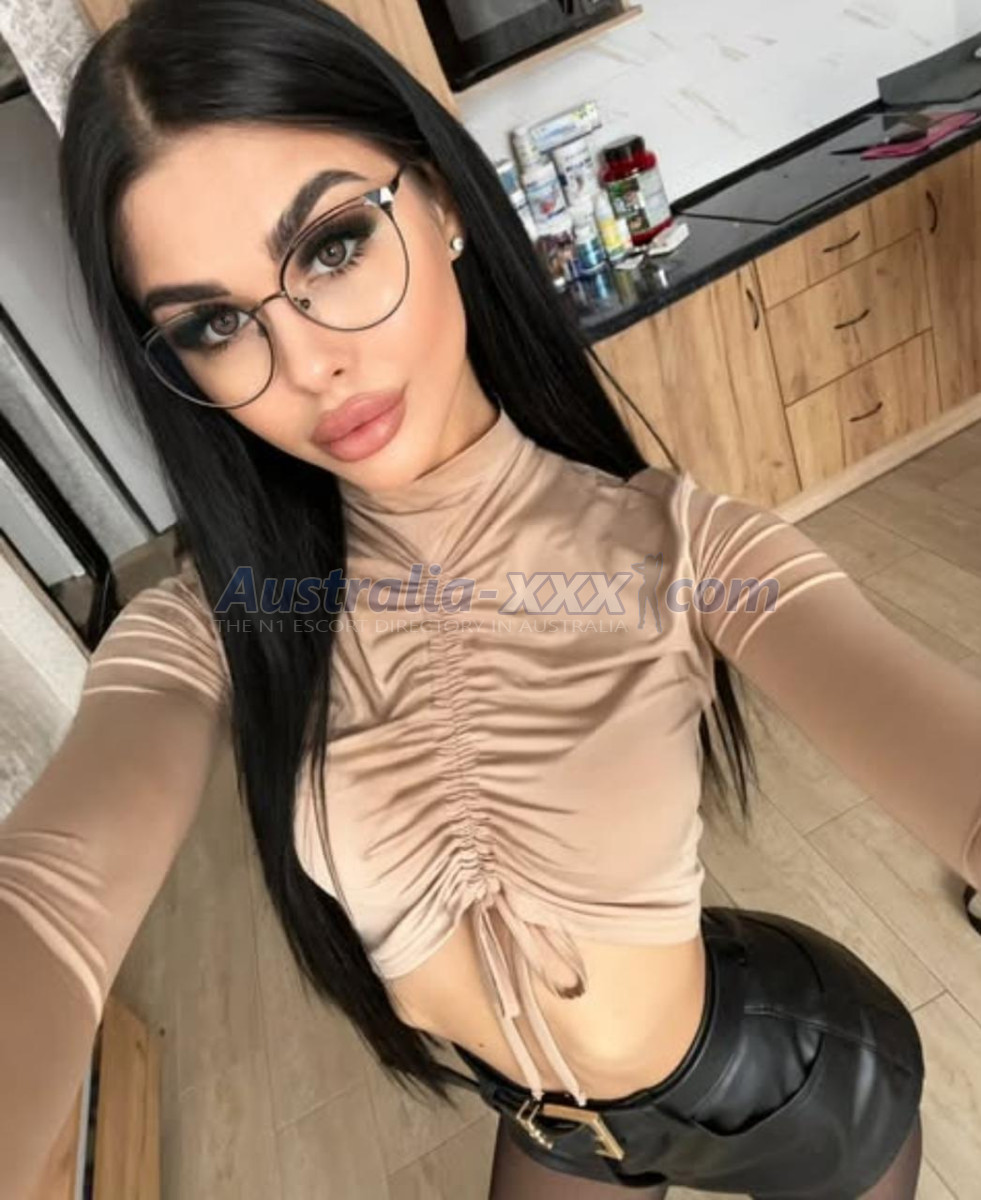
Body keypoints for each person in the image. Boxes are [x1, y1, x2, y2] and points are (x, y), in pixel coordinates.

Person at [2, 1, 979, 1196]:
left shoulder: (681, 546)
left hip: (791, 1081)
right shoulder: (216, 625)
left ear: (441, 201)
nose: (308, 363)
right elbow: (51, 899)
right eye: (213, 323)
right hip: (553, 1126)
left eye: (333, 246)